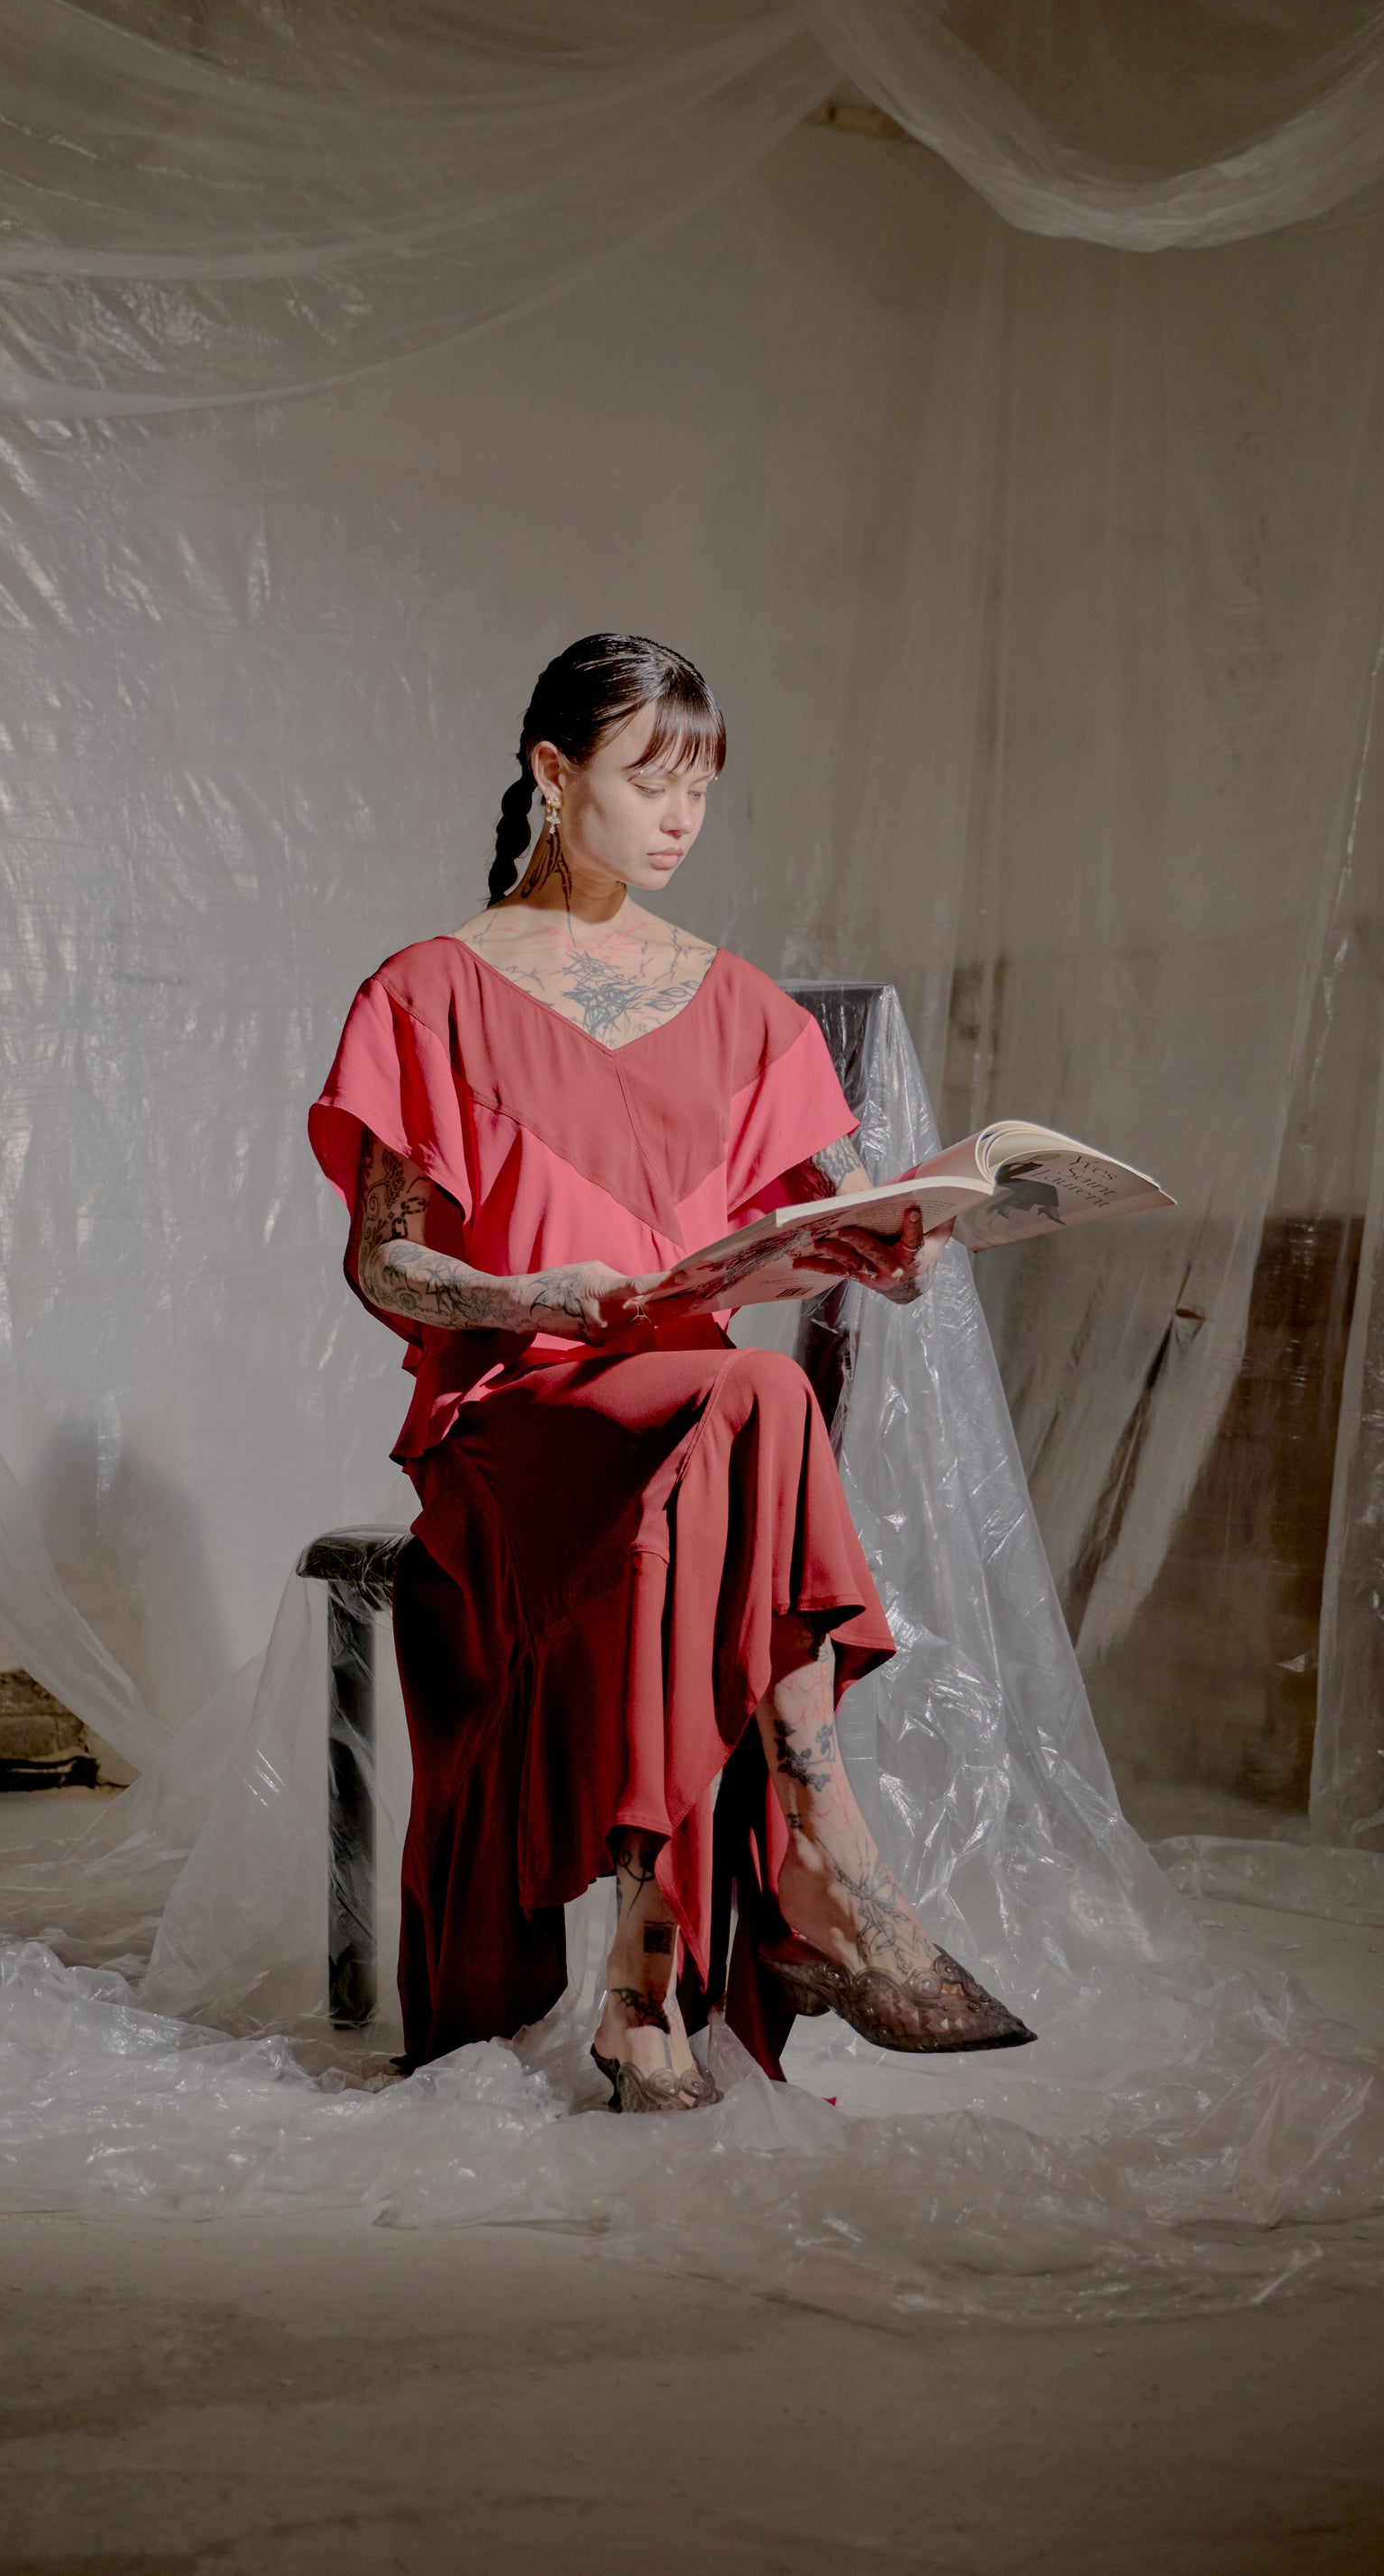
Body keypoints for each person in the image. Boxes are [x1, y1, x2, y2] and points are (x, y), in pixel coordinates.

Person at [309, 634, 1032, 2112]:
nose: (682, 814)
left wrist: (885, 1248)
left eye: (703, 782)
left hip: (692, 1426)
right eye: (652, 775)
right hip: (518, 1415)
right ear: (551, 773)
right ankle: (816, 1858)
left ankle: (648, 1968)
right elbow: (387, 1261)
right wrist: (525, 1291)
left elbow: (830, 1204)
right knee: (752, 1405)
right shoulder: (427, 986)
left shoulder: (741, 1002)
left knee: (732, 1414)